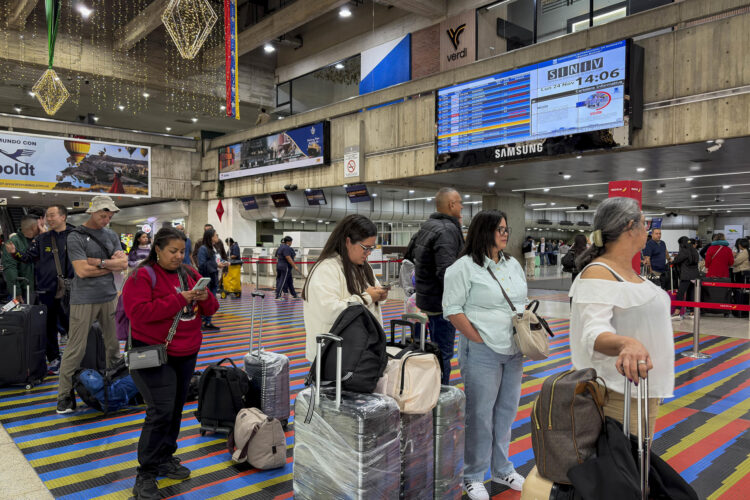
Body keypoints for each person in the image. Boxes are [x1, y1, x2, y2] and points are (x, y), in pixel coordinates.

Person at [123, 227, 219, 500]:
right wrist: (180, 299)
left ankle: (165, 457)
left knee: (175, 408)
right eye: (172, 251)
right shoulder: (143, 275)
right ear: (157, 250)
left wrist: (204, 297)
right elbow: (138, 314)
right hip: (153, 353)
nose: (178, 256)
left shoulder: (190, 274)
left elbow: (212, 309)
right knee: (160, 411)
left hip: (186, 353)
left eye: (182, 251)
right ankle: (146, 474)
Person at [569, 197, 674, 440]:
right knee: (625, 473)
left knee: (637, 472)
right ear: (630, 227)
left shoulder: (625, 271)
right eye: (644, 222)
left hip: (641, 392)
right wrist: (626, 344)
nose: (647, 229)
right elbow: (593, 333)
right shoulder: (598, 273)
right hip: (618, 395)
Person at [442, 210, 526, 498]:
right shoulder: (462, 268)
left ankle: (502, 469)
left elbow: (520, 301)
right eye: (500, 229)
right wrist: (478, 339)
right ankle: (474, 474)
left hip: (514, 350)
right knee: (479, 414)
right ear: (484, 231)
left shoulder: (513, 264)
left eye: (506, 228)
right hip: (482, 351)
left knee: (506, 411)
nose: (505, 233)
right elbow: (453, 310)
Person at [57, 196, 128, 413]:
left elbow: (123, 263)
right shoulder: (75, 237)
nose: (106, 219)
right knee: (75, 349)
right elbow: (81, 271)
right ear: (92, 212)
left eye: (109, 216)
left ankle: (113, 389)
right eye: (102, 215)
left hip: (109, 296)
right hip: (83, 298)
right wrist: (111, 265)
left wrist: (98, 262)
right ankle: (64, 396)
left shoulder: (111, 235)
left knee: (113, 346)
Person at [302, 215, 388, 362]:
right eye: (365, 248)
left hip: (359, 355)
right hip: (331, 358)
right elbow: (330, 312)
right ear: (348, 241)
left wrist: (379, 295)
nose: (368, 253)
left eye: (371, 248)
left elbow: (371, 298)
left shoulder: (363, 267)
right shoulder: (326, 269)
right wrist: (367, 297)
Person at [6, 205, 75, 375]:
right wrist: (15, 254)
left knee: (73, 325)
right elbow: (29, 257)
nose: (49, 219)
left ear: (63, 216)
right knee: (48, 326)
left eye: (53, 216)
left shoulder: (75, 235)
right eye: (47, 216)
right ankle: (54, 359)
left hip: (70, 289)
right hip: (46, 289)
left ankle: (76, 359)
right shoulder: (42, 238)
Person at [411, 187, 465, 385]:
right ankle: (439, 396)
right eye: (460, 202)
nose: (462, 206)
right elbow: (447, 272)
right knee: (443, 352)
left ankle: (428, 390)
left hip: (426, 300)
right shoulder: (447, 230)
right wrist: (460, 299)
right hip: (442, 303)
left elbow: (410, 255)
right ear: (451, 205)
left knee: (431, 349)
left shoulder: (428, 226)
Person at [2, 215, 40, 299]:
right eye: (40, 225)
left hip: (44, 288)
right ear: (34, 227)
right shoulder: (13, 242)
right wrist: (16, 292)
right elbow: (10, 268)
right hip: (26, 289)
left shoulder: (40, 239)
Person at [197, 229, 226, 330]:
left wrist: (223, 263)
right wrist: (216, 264)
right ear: (211, 237)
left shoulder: (214, 248)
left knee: (211, 300)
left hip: (214, 277)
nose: (217, 236)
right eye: (215, 235)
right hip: (206, 279)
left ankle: (208, 321)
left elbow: (216, 260)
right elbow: (201, 264)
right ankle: (201, 321)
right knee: (204, 300)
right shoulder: (203, 249)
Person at [673, 236, 700, 320]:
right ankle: (692, 313)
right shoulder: (694, 250)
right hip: (695, 275)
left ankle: (677, 313)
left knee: (680, 293)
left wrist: (674, 259)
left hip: (686, 276)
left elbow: (676, 260)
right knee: (692, 293)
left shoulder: (684, 251)